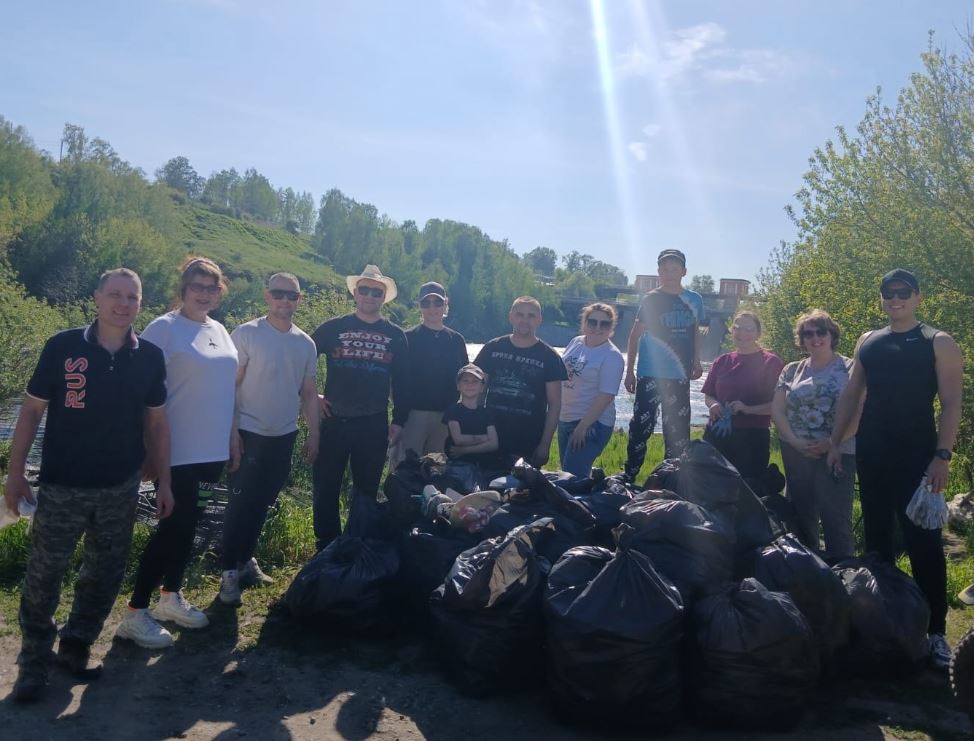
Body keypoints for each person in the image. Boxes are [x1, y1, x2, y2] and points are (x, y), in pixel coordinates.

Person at [7, 268, 171, 702]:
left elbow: (156, 422)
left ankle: (76, 647)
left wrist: (164, 479)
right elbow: (30, 413)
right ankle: (33, 662)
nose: (122, 303)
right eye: (114, 294)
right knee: (44, 576)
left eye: (131, 297)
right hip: (62, 484)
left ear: (141, 302)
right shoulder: (62, 347)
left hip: (122, 486)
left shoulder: (151, 356)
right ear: (96, 297)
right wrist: (15, 472)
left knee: (104, 574)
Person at [827, 268, 963, 670]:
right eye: (889, 294)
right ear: (882, 299)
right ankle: (882, 628)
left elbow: (952, 403)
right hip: (872, 452)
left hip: (918, 457)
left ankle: (935, 632)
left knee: (924, 544)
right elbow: (852, 395)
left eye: (904, 293)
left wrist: (942, 455)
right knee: (877, 543)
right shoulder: (869, 341)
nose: (896, 299)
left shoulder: (938, 342)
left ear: (918, 297)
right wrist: (836, 443)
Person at [117, 257, 238, 648]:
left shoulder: (220, 329)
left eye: (211, 287)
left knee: (188, 527)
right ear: (183, 289)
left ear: (220, 293)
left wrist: (232, 437)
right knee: (172, 529)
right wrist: (149, 449)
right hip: (176, 449)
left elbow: (226, 391)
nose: (204, 293)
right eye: (197, 286)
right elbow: (139, 393)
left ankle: (170, 597)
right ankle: (135, 614)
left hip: (211, 450)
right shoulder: (164, 328)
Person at [218, 272, 319, 607]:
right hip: (248, 431)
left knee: (263, 501)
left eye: (291, 296)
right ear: (267, 297)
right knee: (239, 504)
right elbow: (229, 386)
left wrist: (314, 434)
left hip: (284, 435)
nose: (284, 301)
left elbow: (308, 394)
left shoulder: (305, 343)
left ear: (299, 300)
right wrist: (230, 433)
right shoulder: (246, 333)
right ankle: (228, 573)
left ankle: (246, 561)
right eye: (278, 294)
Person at [311, 264, 408, 550]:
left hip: (373, 423)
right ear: (355, 293)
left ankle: (356, 541)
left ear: (383, 297)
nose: (369, 295)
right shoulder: (332, 327)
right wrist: (312, 396)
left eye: (375, 291)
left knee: (365, 489)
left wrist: (399, 420)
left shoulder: (396, 335)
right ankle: (326, 544)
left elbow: (403, 383)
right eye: (363, 289)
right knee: (326, 486)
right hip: (334, 419)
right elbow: (300, 360)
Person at [771, 310, 857, 560]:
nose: (815, 338)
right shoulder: (791, 370)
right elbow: (777, 409)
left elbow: (859, 411)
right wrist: (795, 442)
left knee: (836, 517)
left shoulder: (850, 367)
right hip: (796, 451)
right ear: (801, 339)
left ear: (832, 335)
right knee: (801, 514)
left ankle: (844, 574)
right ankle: (808, 572)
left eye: (821, 332)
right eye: (808, 333)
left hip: (838, 452)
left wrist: (833, 442)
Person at [624, 249, 704, 480]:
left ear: (684, 271)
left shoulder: (695, 299)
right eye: (665, 269)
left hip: (680, 373)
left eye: (675, 269)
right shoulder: (651, 298)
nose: (670, 273)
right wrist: (629, 372)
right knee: (641, 426)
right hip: (650, 373)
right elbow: (634, 335)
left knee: (677, 431)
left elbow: (695, 332)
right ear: (658, 272)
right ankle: (629, 475)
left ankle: (672, 479)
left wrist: (697, 360)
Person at [473, 296, 567, 467]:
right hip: (490, 434)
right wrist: (473, 426)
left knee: (521, 493)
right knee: (486, 489)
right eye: (520, 314)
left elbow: (554, 405)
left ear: (539, 320)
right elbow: (477, 392)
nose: (525, 320)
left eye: (531, 316)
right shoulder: (492, 348)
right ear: (511, 317)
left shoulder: (550, 357)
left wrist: (545, 444)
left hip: (528, 439)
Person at [701, 311, 784, 480]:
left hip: (752, 437)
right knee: (710, 485)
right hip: (717, 435)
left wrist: (748, 409)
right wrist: (714, 405)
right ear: (731, 330)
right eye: (737, 328)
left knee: (747, 490)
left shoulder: (771, 363)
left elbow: (778, 404)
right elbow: (709, 396)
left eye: (748, 329)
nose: (742, 333)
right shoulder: (722, 361)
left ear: (758, 333)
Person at [394, 281, 468, 468]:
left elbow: (465, 380)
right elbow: (396, 381)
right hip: (412, 416)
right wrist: (398, 419)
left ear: (445, 305)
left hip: (445, 417)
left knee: (436, 473)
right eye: (426, 303)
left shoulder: (457, 340)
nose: (432, 308)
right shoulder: (407, 338)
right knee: (403, 470)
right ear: (419, 306)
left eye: (438, 302)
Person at [558, 303, 624, 477]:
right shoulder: (576, 342)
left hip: (591, 424)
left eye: (604, 324)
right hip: (566, 418)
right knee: (569, 475)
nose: (597, 327)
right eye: (593, 322)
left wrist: (582, 427)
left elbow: (606, 396)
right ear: (584, 322)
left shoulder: (612, 356)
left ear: (611, 328)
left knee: (571, 479)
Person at [442, 363, 501, 468]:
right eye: (465, 381)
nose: (470, 385)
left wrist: (464, 450)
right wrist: (484, 438)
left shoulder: (487, 413)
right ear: (458, 386)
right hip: (458, 465)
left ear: (482, 387)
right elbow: (459, 440)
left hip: (483, 466)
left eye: (475, 381)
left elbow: (494, 444)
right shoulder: (453, 410)